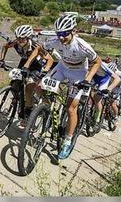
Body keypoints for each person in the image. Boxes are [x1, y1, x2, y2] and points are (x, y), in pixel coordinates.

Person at [44, 13, 105, 160]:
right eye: (59, 34)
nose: (61, 37)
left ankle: (67, 140)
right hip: (62, 67)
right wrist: (46, 62)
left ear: (73, 31)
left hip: (78, 74)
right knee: (42, 87)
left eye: (65, 33)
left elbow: (97, 62)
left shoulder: (82, 46)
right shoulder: (56, 41)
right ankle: (44, 113)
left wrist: (88, 79)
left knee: (71, 108)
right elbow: (42, 47)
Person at [0, 24, 54, 125]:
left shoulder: (35, 46)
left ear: (28, 37)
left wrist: (45, 71)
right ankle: (19, 101)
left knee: (29, 88)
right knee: (14, 84)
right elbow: (4, 46)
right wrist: (2, 59)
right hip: (24, 63)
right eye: (18, 38)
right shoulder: (15, 43)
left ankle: (28, 113)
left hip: (37, 65)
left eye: (22, 39)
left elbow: (50, 59)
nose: (19, 41)